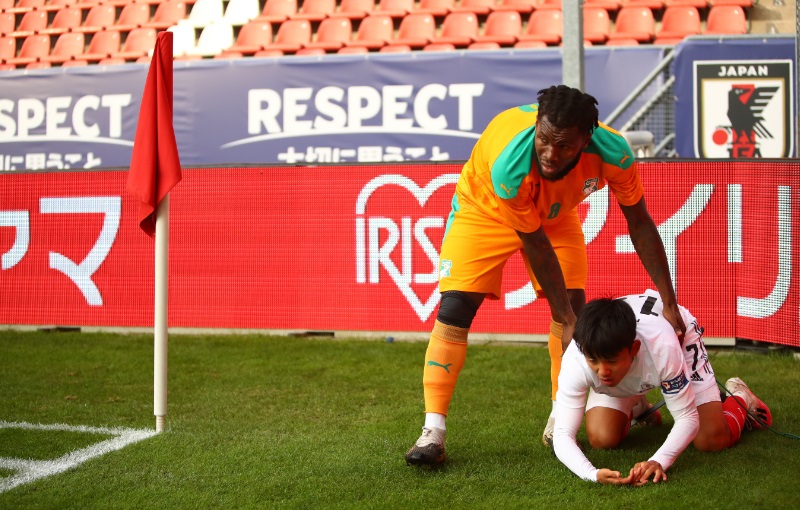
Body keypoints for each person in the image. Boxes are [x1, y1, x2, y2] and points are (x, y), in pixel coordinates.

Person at [405, 85, 686, 467]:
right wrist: (569, 320)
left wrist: (669, 302)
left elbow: (639, 222)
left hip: (555, 214)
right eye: (544, 140)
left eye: (566, 146)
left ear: (587, 140)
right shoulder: (511, 162)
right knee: (455, 308)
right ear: (537, 125)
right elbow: (534, 244)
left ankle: (561, 417)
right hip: (484, 208)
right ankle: (432, 431)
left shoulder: (614, 153)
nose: (551, 154)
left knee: (572, 308)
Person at [553, 290, 772, 485]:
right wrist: (591, 473)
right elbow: (562, 434)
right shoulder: (577, 358)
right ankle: (638, 406)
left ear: (634, 348)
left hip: (678, 333)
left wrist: (658, 461)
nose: (602, 371)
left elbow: (687, 418)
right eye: (594, 361)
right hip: (636, 353)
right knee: (602, 438)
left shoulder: (664, 347)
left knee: (711, 439)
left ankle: (742, 398)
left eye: (611, 361)